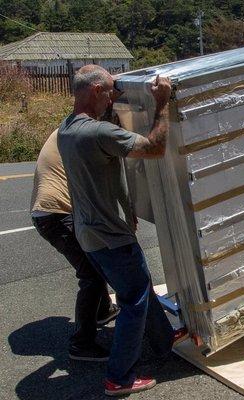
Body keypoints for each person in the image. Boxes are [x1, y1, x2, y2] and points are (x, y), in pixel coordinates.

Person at [57, 65, 182, 397]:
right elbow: (154, 147)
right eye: (112, 91)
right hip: (111, 237)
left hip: (89, 234)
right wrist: (163, 102)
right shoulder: (98, 133)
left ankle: (164, 342)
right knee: (134, 300)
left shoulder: (66, 129)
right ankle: (119, 377)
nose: (114, 97)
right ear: (97, 90)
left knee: (139, 289)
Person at [30, 128, 119, 362]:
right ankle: (81, 344)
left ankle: (102, 311)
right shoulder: (82, 134)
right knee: (90, 274)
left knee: (94, 261)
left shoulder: (68, 130)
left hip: (49, 213)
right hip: (55, 214)